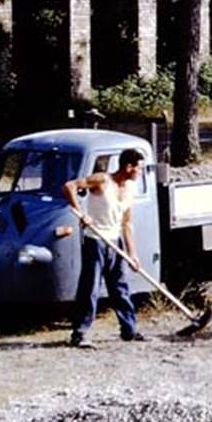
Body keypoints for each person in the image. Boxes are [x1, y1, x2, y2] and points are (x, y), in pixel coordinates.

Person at [63, 148, 147, 347]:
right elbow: (69, 186)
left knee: (120, 287)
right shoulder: (102, 180)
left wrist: (132, 254)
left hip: (115, 241)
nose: (141, 172)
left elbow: (127, 223)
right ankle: (80, 333)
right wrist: (81, 212)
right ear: (128, 167)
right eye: (139, 168)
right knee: (90, 287)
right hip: (95, 240)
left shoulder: (130, 189)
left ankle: (129, 330)